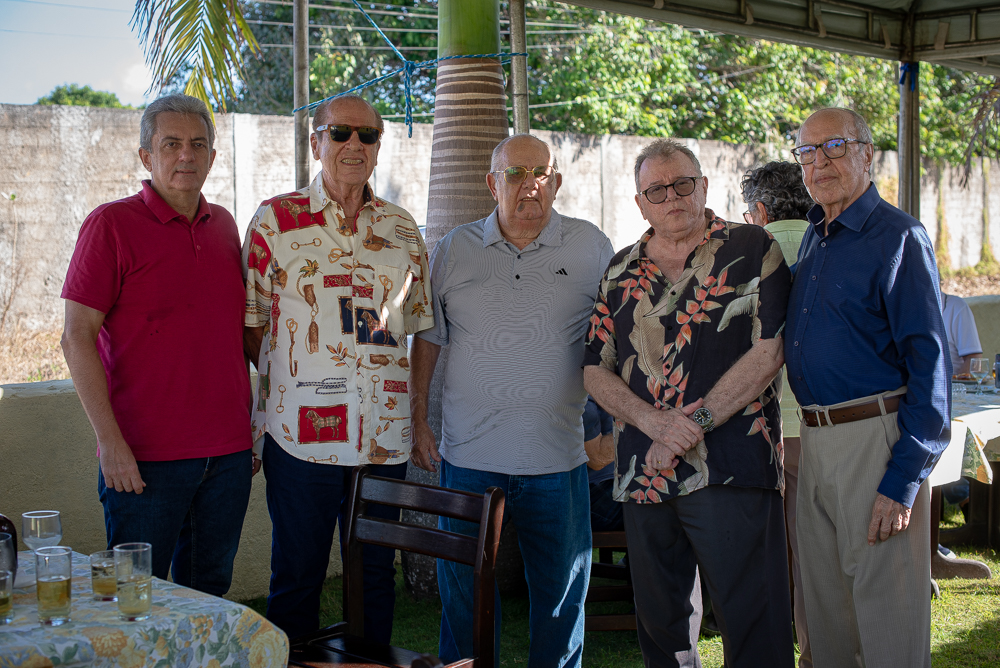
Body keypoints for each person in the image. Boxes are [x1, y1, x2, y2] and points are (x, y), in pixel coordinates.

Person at [584, 138, 794, 668]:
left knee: (752, 619)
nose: (672, 196)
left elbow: (770, 352)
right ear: (639, 202)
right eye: (657, 189)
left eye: (683, 183)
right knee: (663, 628)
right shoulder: (619, 271)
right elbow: (593, 368)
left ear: (703, 186)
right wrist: (653, 422)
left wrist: (691, 424)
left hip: (732, 467)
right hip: (643, 473)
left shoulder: (753, 248)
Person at [410, 134, 614, 667]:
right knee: (464, 598)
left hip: (559, 457)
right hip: (469, 458)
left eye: (541, 172)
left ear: (557, 181)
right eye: (516, 172)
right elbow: (428, 337)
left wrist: (610, 425)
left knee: (561, 598)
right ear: (492, 182)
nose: (530, 184)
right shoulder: (455, 248)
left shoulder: (590, 246)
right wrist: (417, 420)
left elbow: (614, 341)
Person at [242, 94, 433, 641]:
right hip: (300, 438)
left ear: (378, 148)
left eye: (367, 136)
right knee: (297, 576)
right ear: (316, 142)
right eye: (341, 133)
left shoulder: (401, 229)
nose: (355, 145)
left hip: (384, 436)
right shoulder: (275, 220)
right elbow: (251, 326)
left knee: (375, 576)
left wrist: (417, 417)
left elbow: (419, 328)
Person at [61, 94, 253, 597]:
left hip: (229, 457)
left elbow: (240, 334)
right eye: (171, 144)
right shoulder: (111, 225)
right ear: (147, 156)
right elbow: (75, 337)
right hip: (143, 461)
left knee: (210, 598)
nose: (185, 155)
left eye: (198, 144)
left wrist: (254, 429)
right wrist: (112, 444)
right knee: (135, 601)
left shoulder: (227, 227)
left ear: (213, 156)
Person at [785, 108, 951, 668]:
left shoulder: (898, 237)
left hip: (874, 442)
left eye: (834, 146)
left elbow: (929, 363)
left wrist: (903, 478)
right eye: (807, 151)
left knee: (887, 626)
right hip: (814, 441)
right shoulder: (816, 235)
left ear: (866, 153)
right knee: (828, 623)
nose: (819, 162)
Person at [740, 160, 814, 668]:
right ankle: (814, 651)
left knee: (760, 560)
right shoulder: (827, 245)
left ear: (759, 210)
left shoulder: (746, 256)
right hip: (818, 428)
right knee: (816, 560)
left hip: (759, 428)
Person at [585, 396, 623, 532]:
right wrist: (651, 424)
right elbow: (596, 458)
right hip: (591, 493)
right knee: (666, 512)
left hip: (615, 482)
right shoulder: (579, 383)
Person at [940, 291, 982, 376]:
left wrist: (956, 386)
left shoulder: (955, 306)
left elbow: (973, 359)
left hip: (949, 386)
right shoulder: (908, 308)